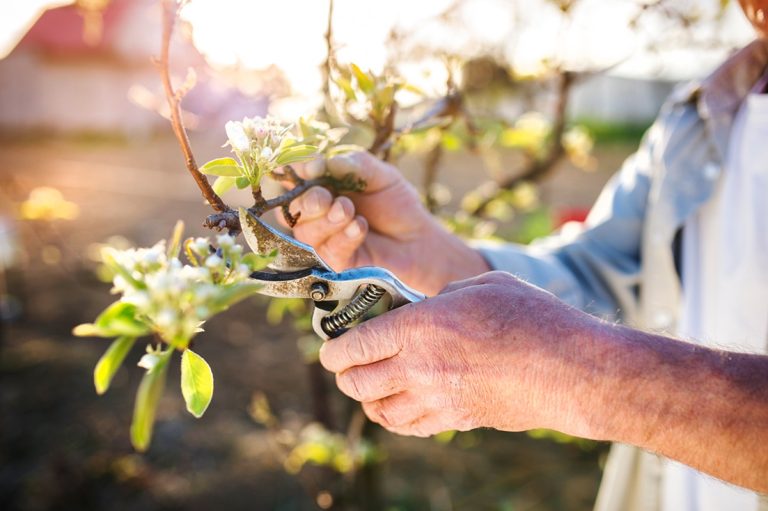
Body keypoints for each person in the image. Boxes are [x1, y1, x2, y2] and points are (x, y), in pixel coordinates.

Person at [286, 1, 768, 509]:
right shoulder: (703, 113)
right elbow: (597, 278)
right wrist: (425, 252)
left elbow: (580, 351)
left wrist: (580, 374)